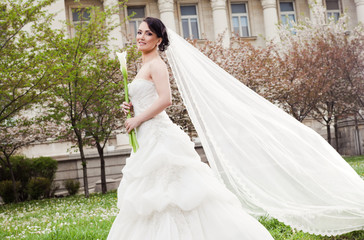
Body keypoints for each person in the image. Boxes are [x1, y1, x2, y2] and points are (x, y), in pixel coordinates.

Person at [106, 17, 274, 240]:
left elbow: (166, 100)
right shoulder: (142, 66)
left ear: (158, 40)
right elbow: (148, 97)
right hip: (146, 138)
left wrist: (138, 119)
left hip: (159, 136)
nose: (141, 37)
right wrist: (131, 107)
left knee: (170, 193)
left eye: (148, 34)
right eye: (139, 32)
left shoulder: (157, 65)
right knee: (152, 195)